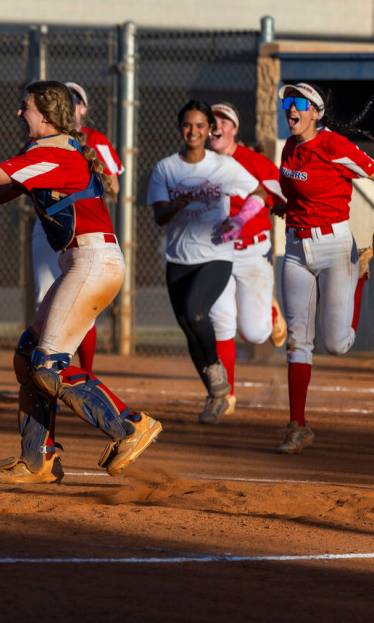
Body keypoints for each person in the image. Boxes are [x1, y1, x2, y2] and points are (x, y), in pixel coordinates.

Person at [0, 80, 161, 482]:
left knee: (48, 365)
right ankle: (39, 458)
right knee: (29, 354)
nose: (20, 113)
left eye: (26, 107)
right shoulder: (44, 151)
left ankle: (130, 425)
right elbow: (1, 192)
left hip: (93, 261)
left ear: (47, 116)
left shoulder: (54, 154)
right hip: (82, 262)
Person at [147, 100, 268, 417]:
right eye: (188, 125)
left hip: (216, 256)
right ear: (180, 128)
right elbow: (159, 215)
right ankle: (214, 393)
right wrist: (180, 203)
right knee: (188, 326)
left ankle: (216, 372)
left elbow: (260, 193)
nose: (194, 131)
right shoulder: (166, 168)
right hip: (178, 259)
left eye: (200, 126)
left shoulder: (221, 166)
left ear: (208, 130)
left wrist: (239, 221)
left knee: (196, 312)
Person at [273, 83, 374, 454]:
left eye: (299, 103)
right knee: (299, 339)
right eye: (287, 102)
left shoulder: (333, 146)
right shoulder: (290, 146)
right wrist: (284, 208)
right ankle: (297, 426)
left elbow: (371, 170)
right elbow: (298, 193)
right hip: (297, 247)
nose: (291, 109)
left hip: (334, 246)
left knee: (337, 344)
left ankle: (360, 277)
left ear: (316, 112)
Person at [29, 82, 124, 372]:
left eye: (76, 100)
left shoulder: (95, 140)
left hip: (81, 226)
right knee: (45, 300)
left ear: (82, 109)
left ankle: (82, 373)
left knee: (81, 306)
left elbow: (114, 185)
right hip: (49, 227)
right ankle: (52, 373)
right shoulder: (39, 142)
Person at [205, 101, 288, 423]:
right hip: (217, 254)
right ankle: (226, 395)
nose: (216, 126)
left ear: (234, 130)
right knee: (221, 322)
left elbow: (284, 194)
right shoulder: (201, 164)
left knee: (254, 333)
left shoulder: (253, 161)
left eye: (223, 121)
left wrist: (285, 209)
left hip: (252, 253)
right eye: (212, 120)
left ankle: (268, 308)